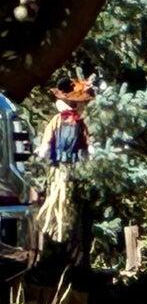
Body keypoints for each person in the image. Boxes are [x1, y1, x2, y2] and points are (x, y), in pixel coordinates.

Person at [33, 77, 94, 247]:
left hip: (69, 164)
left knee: (64, 197)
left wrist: (89, 150)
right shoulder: (59, 120)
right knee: (57, 195)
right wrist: (44, 148)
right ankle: (53, 228)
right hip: (59, 165)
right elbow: (49, 136)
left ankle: (59, 229)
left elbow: (85, 140)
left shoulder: (78, 123)